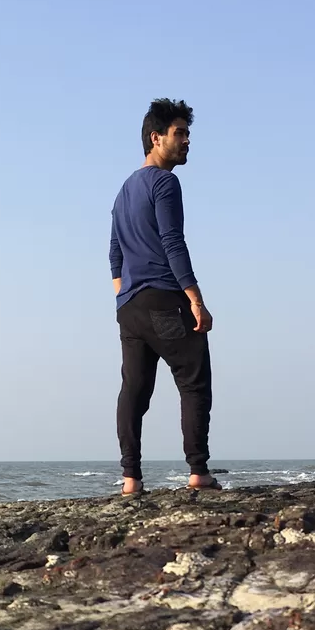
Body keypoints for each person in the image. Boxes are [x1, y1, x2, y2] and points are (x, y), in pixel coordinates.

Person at [109, 98, 220, 497]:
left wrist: (125, 296)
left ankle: (131, 479)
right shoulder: (164, 183)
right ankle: (198, 472)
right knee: (194, 381)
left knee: (134, 390)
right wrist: (195, 299)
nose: (187, 140)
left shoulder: (123, 192)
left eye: (187, 133)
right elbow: (173, 242)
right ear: (156, 138)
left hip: (130, 308)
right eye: (180, 133)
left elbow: (115, 254)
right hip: (164, 298)